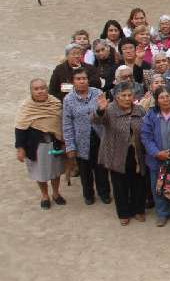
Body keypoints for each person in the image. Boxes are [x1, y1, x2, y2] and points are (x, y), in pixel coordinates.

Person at [94, 82, 147, 225]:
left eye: (129, 95)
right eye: (123, 95)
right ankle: (123, 213)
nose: (127, 98)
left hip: (136, 153)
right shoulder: (110, 110)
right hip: (116, 153)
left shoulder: (139, 110)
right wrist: (100, 110)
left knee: (137, 183)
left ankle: (138, 210)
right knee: (119, 185)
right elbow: (96, 120)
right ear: (117, 97)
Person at [140, 87, 170, 226]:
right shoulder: (151, 114)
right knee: (159, 186)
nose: (166, 99)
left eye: (168, 96)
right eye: (162, 97)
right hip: (156, 158)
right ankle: (162, 213)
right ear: (156, 100)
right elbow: (145, 136)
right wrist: (156, 153)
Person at [15, 79, 66, 209]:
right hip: (36, 146)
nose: (40, 91)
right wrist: (20, 148)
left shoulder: (55, 103)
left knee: (56, 171)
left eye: (42, 88)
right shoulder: (26, 107)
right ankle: (44, 195)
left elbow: (62, 123)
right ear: (31, 91)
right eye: (36, 89)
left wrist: (64, 141)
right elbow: (20, 128)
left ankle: (55, 193)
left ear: (47, 89)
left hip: (55, 142)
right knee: (40, 172)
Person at [62, 69, 110, 205]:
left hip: (99, 137)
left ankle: (104, 193)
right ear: (73, 82)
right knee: (84, 170)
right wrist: (70, 145)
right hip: (80, 139)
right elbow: (67, 123)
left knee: (101, 168)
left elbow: (105, 118)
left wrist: (102, 110)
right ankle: (88, 194)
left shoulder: (98, 93)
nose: (82, 81)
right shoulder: (68, 99)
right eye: (78, 79)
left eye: (84, 78)